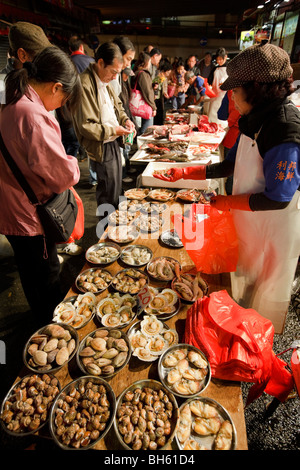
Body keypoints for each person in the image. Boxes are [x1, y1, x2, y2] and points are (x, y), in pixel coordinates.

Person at [154, 43, 300, 334]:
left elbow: (279, 197)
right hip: (251, 222)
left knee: (265, 298)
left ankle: (257, 362)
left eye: (235, 90)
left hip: (274, 229)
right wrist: (184, 172)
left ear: (256, 88)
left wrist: (226, 202)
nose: (230, 96)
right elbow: (229, 164)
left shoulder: (285, 128)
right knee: (243, 288)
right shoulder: (254, 118)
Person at [0, 46, 82, 325]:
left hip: (10, 208)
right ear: (56, 86)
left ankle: (38, 318)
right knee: (46, 278)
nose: (61, 105)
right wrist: (72, 161)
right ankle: (50, 331)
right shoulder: (33, 115)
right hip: (29, 216)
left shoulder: (11, 98)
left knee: (29, 273)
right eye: (64, 98)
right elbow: (61, 175)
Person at [72, 42, 135, 213]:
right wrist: (115, 130)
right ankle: (106, 234)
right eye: (113, 71)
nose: (115, 77)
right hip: (102, 144)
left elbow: (118, 106)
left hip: (113, 141)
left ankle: (114, 230)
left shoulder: (103, 80)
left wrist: (125, 120)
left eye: (118, 72)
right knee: (108, 193)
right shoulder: (84, 84)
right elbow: (86, 126)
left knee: (115, 190)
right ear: (100, 63)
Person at [217, 90, 241, 194]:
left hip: (232, 139)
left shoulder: (231, 92)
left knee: (230, 175)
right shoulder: (261, 91)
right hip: (252, 141)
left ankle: (230, 207)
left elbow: (221, 115)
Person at [119, 66, 138, 183]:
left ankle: (127, 169)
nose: (127, 77)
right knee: (123, 149)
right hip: (122, 121)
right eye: (126, 75)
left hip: (126, 118)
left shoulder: (125, 84)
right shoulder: (118, 85)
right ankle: (123, 174)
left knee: (126, 148)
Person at [131, 51, 157, 134]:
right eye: (149, 62)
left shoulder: (136, 72)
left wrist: (152, 85)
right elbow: (147, 92)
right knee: (146, 130)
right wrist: (153, 107)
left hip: (137, 104)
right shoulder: (142, 74)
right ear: (146, 62)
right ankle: (142, 145)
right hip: (144, 104)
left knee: (140, 127)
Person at [206, 47, 228, 123]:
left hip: (224, 97)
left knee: (222, 120)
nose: (219, 61)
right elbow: (209, 81)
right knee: (212, 118)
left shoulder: (230, 69)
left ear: (225, 57)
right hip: (214, 97)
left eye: (220, 59)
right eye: (217, 59)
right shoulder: (215, 69)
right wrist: (209, 86)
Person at [153, 58, 172, 125]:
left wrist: (165, 93)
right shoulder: (160, 76)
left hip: (160, 98)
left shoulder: (163, 77)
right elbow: (156, 86)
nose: (169, 74)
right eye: (168, 72)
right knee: (158, 115)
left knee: (160, 114)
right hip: (156, 99)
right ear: (165, 71)